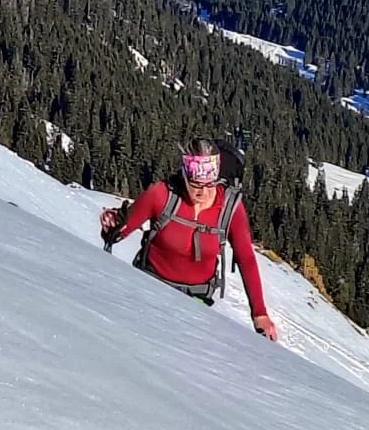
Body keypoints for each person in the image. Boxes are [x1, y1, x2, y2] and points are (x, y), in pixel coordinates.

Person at [101, 141, 278, 341]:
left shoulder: (230, 209)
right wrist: (112, 225)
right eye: (195, 185)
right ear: (184, 176)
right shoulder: (161, 195)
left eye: (209, 184)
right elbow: (122, 228)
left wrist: (259, 314)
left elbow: (245, 257)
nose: (202, 192)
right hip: (149, 287)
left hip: (196, 301)